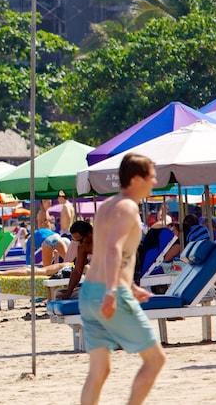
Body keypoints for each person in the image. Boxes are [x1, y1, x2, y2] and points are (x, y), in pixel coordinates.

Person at [79, 153, 165, 405]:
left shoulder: (106, 206)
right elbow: (115, 249)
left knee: (99, 370)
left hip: (89, 293)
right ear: (136, 179)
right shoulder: (128, 207)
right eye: (152, 175)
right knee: (155, 359)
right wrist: (113, 292)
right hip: (108, 292)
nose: (155, 180)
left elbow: (108, 251)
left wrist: (131, 284)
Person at [57, 220, 93, 300]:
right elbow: (77, 271)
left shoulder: (104, 243)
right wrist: (68, 292)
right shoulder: (82, 247)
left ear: (90, 234)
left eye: (80, 240)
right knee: (59, 293)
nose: (79, 243)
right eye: (76, 241)